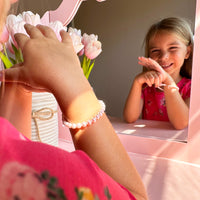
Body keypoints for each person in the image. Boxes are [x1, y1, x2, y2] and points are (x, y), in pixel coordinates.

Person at [0, 0, 148, 199]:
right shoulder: (49, 178)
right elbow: (133, 195)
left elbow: (13, 144)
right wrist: (74, 83)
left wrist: (17, 86)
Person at [123, 17, 193, 130]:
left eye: (173, 48)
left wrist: (168, 81)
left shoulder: (191, 88)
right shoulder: (146, 86)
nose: (163, 57)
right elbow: (130, 118)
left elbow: (181, 124)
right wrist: (137, 83)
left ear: (187, 52)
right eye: (155, 50)